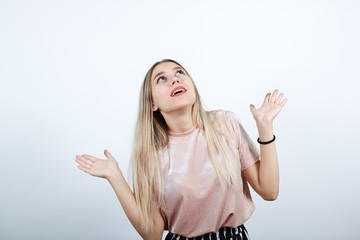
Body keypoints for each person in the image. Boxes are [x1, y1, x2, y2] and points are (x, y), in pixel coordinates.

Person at [75, 59, 288, 240]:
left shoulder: (225, 123)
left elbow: (269, 191)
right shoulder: (150, 156)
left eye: (179, 72)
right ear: (152, 104)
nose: (175, 79)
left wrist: (265, 126)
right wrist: (115, 176)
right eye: (162, 79)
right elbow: (153, 234)